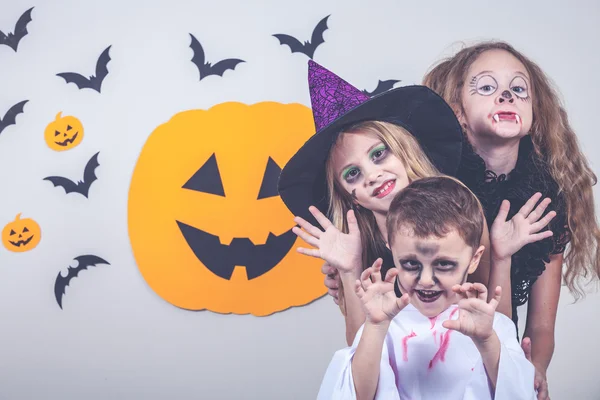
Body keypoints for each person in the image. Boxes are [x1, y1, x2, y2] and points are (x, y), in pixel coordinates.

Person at [277, 60, 552, 346]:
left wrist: (501, 257)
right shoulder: (356, 245)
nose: (372, 176)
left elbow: (494, 324)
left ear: (405, 149)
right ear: (349, 197)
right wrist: (349, 271)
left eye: (380, 154)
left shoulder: (460, 210)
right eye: (353, 173)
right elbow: (358, 354)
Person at [422, 40, 600, 399]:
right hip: (429, 363)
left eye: (518, 89)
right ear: (458, 110)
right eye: (487, 87)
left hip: (497, 361)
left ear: (536, 110)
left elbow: (541, 326)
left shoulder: (545, 201)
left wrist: (534, 370)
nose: (506, 96)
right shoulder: (431, 187)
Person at [316, 176, 536, 400]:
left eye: (444, 264)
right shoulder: (384, 322)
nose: (426, 280)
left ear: (474, 258)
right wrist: (376, 326)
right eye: (411, 263)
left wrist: (487, 340)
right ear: (392, 250)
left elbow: (517, 393)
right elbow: (355, 395)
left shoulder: (492, 325)